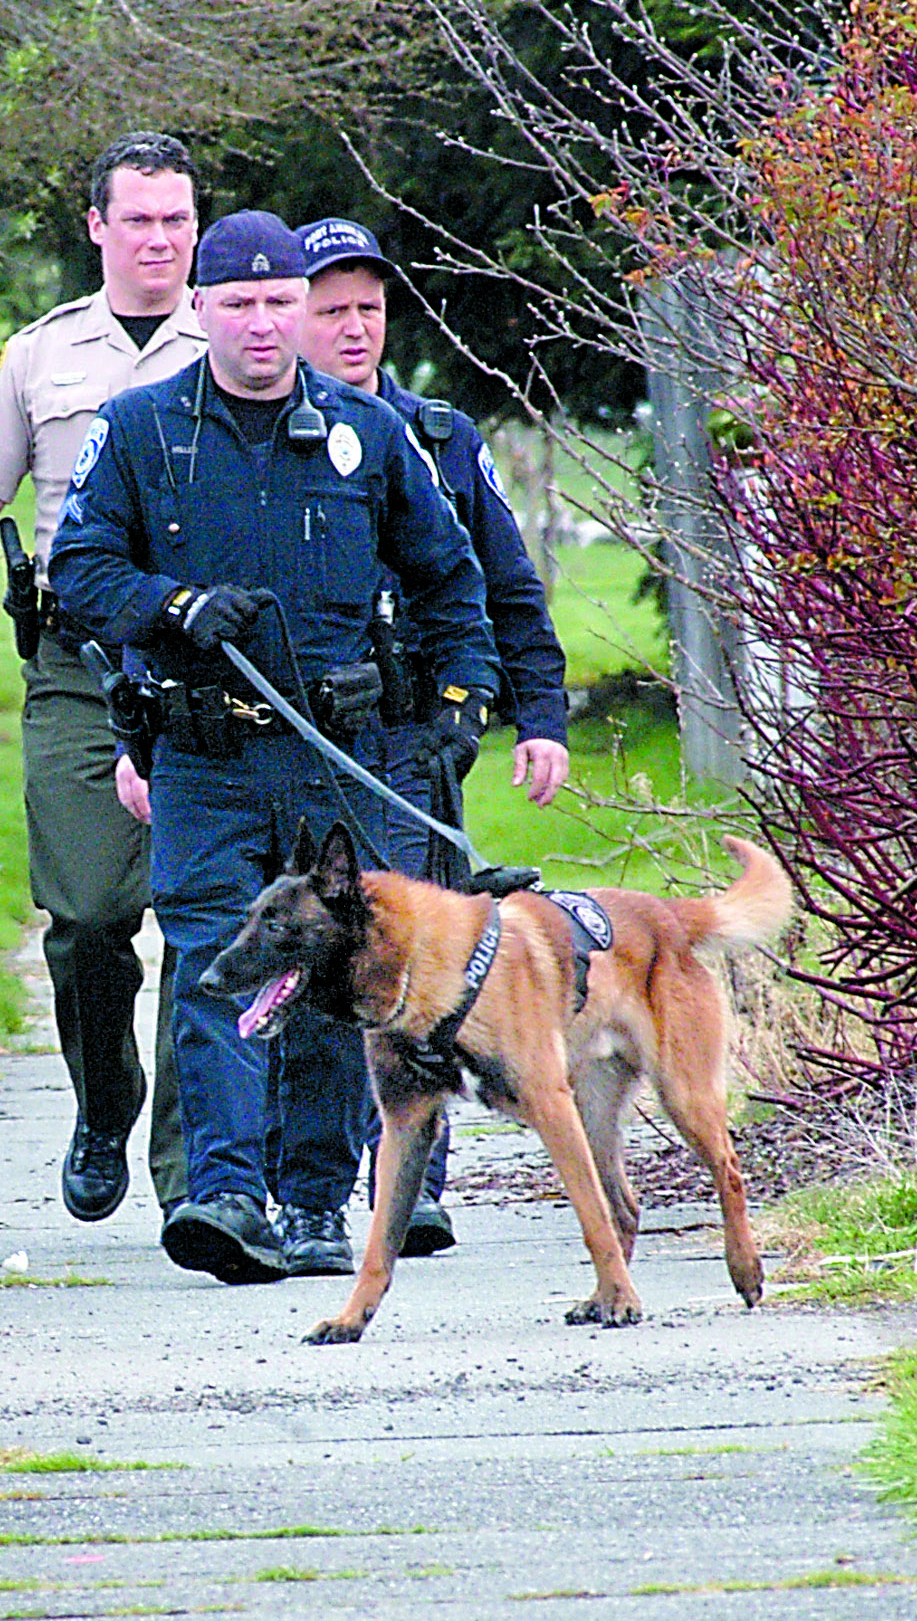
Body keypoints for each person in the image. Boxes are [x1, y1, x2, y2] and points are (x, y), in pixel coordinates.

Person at [48, 209, 501, 1285]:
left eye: (279, 301)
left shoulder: (367, 436)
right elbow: (78, 571)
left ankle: (308, 1200)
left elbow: (452, 581)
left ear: (301, 309)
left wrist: (455, 708)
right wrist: (171, 605)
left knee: (334, 977)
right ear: (199, 308)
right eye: (239, 302)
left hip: (337, 760)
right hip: (204, 756)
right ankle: (224, 1192)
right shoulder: (143, 429)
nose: (262, 323)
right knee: (215, 959)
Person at [0, 132, 204, 1229]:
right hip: (81, 670)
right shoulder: (41, 357)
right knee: (91, 914)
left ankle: (197, 1171)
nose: (159, 239)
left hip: (206, 665)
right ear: (96, 227)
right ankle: (105, 1102)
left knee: (208, 914)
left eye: (176, 219)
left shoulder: (230, 340)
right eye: (137, 219)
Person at [295, 216, 571, 1255]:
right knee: (326, 955)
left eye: (368, 307)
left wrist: (534, 717)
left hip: (417, 733)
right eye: (333, 309)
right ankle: (315, 1187)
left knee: (430, 960)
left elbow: (505, 586)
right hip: (312, 734)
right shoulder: (269, 434)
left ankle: (416, 1183)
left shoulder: (444, 437)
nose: (354, 327)